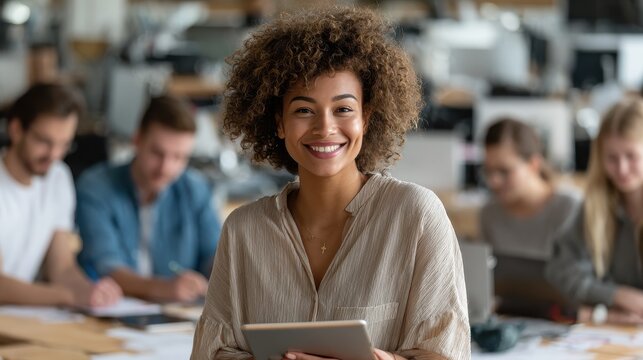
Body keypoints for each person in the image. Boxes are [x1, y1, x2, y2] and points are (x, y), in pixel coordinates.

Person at [191, 7, 469, 360]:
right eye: (304, 110)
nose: (325, 128)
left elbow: (447, 354)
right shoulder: (243, 231)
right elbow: (211, 354)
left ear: (366, 118)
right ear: (279, 123)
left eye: (343, 109)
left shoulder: (417, 217)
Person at [76, 95, 221, 303]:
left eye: (178, 157)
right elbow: (106, 266)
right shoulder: (96, 187)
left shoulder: (195, 188)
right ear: (137, 140)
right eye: (157, 153)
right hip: (110, 309)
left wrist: (219, 274)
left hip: (178, 317)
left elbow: (214, 255)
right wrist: (165, 288)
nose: (166, 168)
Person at [0, 83, 122, 307]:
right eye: (44, 141)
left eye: (64, 144)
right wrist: (69, 296)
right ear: (16, 130)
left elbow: (62, 267)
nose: (54, 155)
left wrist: (91, 291)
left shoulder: (58, 177)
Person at [547, 97, 643, 325]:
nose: (621, 168)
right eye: (611, 158)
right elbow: (562, 271)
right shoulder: (593, 208)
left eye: (631, 156)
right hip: (614, 330)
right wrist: (619, 295)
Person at [480, 118, 581, 318]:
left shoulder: (569, 207)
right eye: (488, 171)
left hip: (564, 320)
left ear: (534, 164)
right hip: (510, 318)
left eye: (504, 171)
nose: (494, 181)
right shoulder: (489, 213)